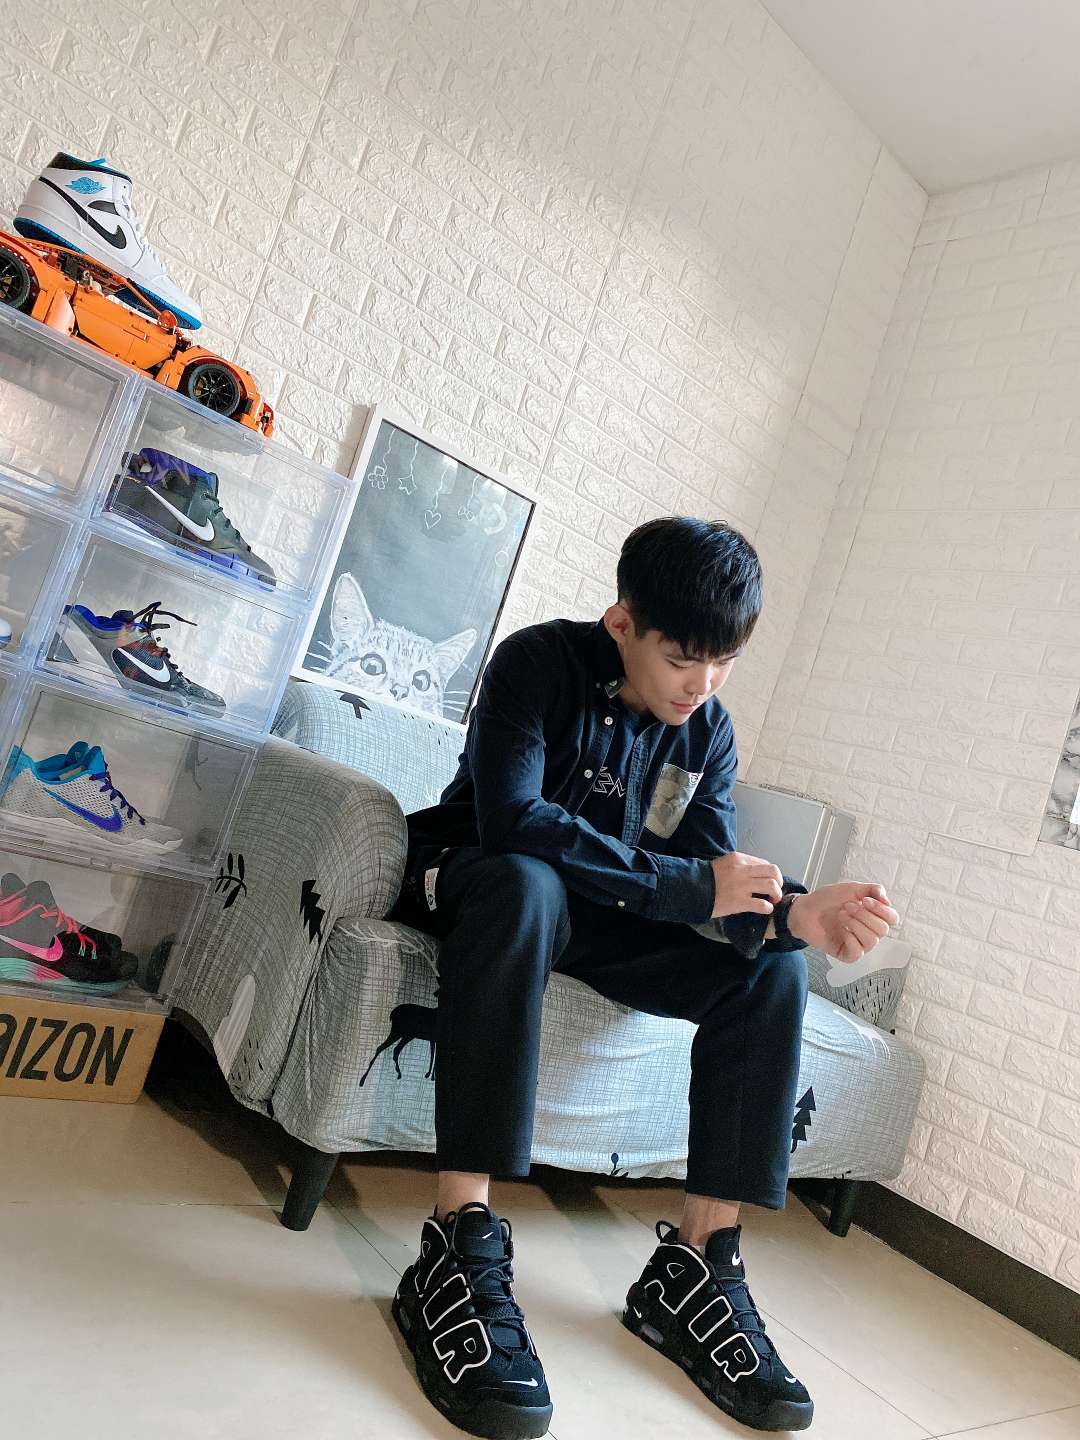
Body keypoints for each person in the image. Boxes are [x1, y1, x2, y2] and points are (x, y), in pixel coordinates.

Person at [390, 517, 898, 1438]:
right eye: (682, 659)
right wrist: (688, 885)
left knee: (774, 974)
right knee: (527, 882)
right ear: (622, 624)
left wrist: (793, 915)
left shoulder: (707, 730)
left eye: (724, 663)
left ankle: (697, 1266)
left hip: (602, 918)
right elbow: (513, 822)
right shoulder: (535, 663)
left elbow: (715, 877)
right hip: (479, 884)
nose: (702, 686)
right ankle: (458, 1243)